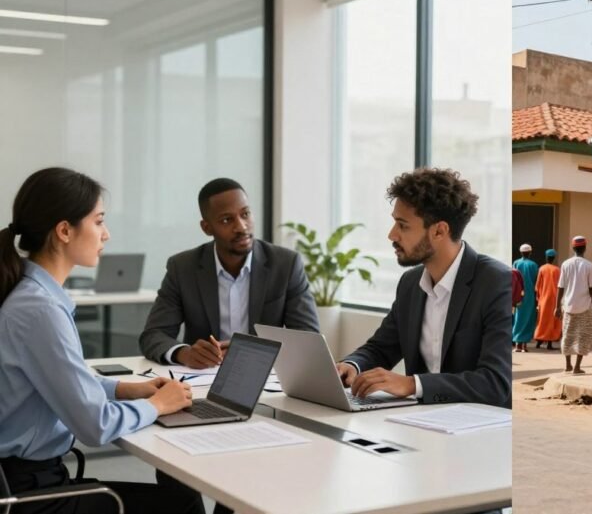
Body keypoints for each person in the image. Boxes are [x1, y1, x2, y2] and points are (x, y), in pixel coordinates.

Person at [0, 167, 203, 514]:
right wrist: (158, 405)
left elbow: (57, 381)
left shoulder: (30, 297)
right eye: (98, 221)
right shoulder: (40, 310)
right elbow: (96, 426)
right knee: (180, 503)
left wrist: (123, 389)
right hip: (32, 495)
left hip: (27, 479)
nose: (106, 234)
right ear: (64, 231)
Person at [335, 168, 512, 408]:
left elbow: (496, 383)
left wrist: (412, 384)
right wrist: (352, 365)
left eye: (403, 225)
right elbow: (381, 348)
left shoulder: (496, 283)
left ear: (439, 230)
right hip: (420, 423)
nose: (391, 235)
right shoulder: (410, 283)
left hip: (481, 428)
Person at [139, 178, 319, 368]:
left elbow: (309, 339)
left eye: (245, 214)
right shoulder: (183, 268)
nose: (241, 227)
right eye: (227, 220)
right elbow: (153, 335)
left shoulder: (285, 265)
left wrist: (251, 350)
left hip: (265, 375)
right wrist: (184, 353)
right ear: (207, 228)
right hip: (204, 379)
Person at [556, 236, 592, 374]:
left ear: (573, 248)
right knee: (583, 336)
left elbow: (560, 287)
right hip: (584, 307)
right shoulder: (589, 265)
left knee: (568, 335)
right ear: (584, 248)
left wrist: (557, 307)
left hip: (568, 306)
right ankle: (577, 367)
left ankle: (568, 365)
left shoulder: (565, 264)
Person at [512, 244, 539, 353]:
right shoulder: (533, 265)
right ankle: (524, 345)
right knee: (529, 319)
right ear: (530, 252)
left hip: (519, 295)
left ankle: (517, 345)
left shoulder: (516, 263)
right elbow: (536, 281)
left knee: (518, 318)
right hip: (530, 296)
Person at [533, 249, 561, 350]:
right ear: (554, 258)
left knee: (542, 320)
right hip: (554, 299)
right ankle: (549, 343)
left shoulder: (542, 269)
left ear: (546, 257)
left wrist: (538, 298)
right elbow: (560, 285)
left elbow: (537, 286)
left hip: (543, 299)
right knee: (552, 320)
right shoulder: (557, 270)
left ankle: (539, 341)